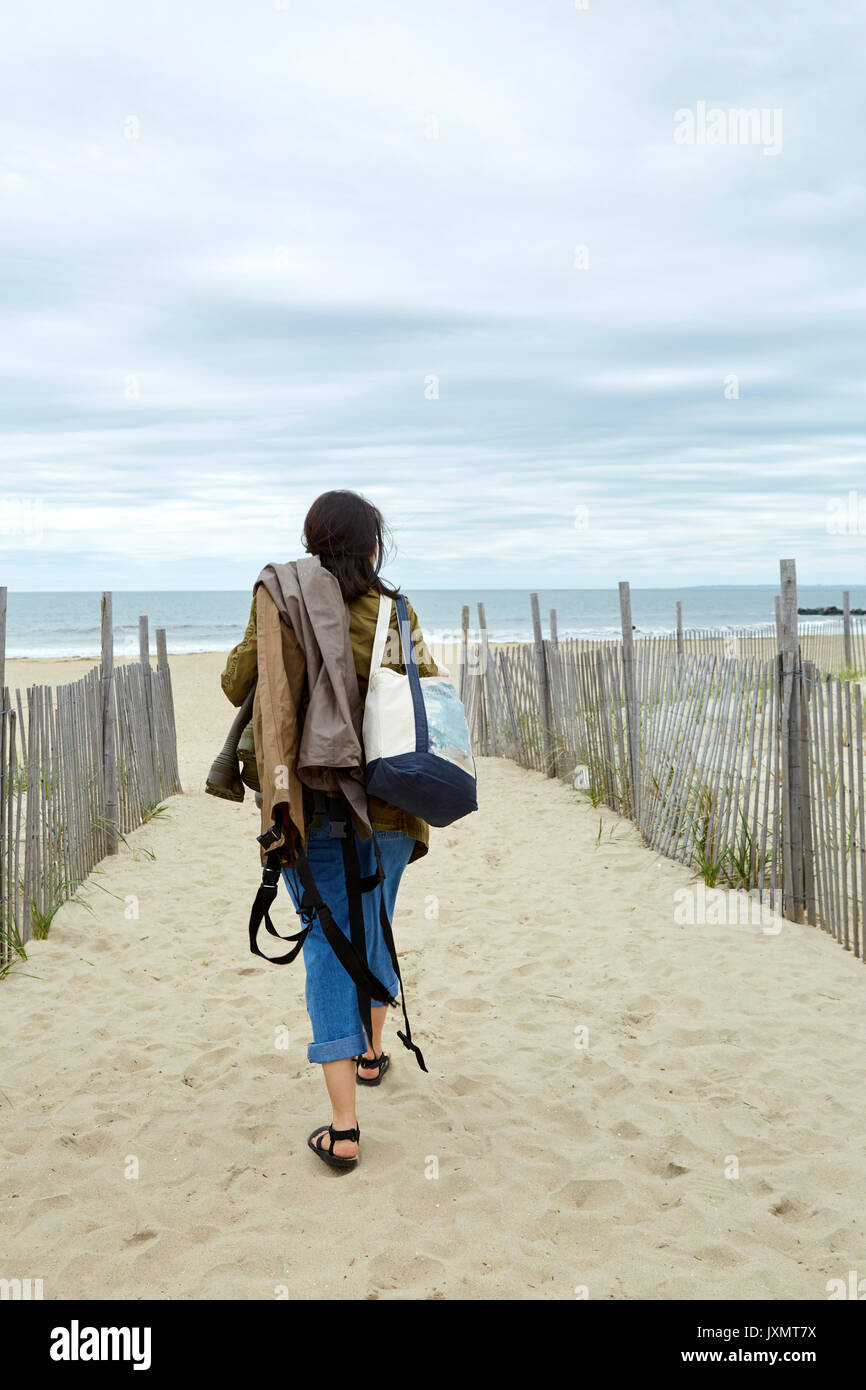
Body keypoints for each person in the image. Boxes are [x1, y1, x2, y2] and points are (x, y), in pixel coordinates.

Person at [220, 489, 440, 1168]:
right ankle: (372, 1054)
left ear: (314, 542)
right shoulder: (397, 611)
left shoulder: (282, 599)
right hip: (391, 807)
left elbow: (236, 684)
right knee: (374, 927)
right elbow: (424, 692)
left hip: (310, 805)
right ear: (372, 546)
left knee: (325, 946)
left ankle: (343, 1129)